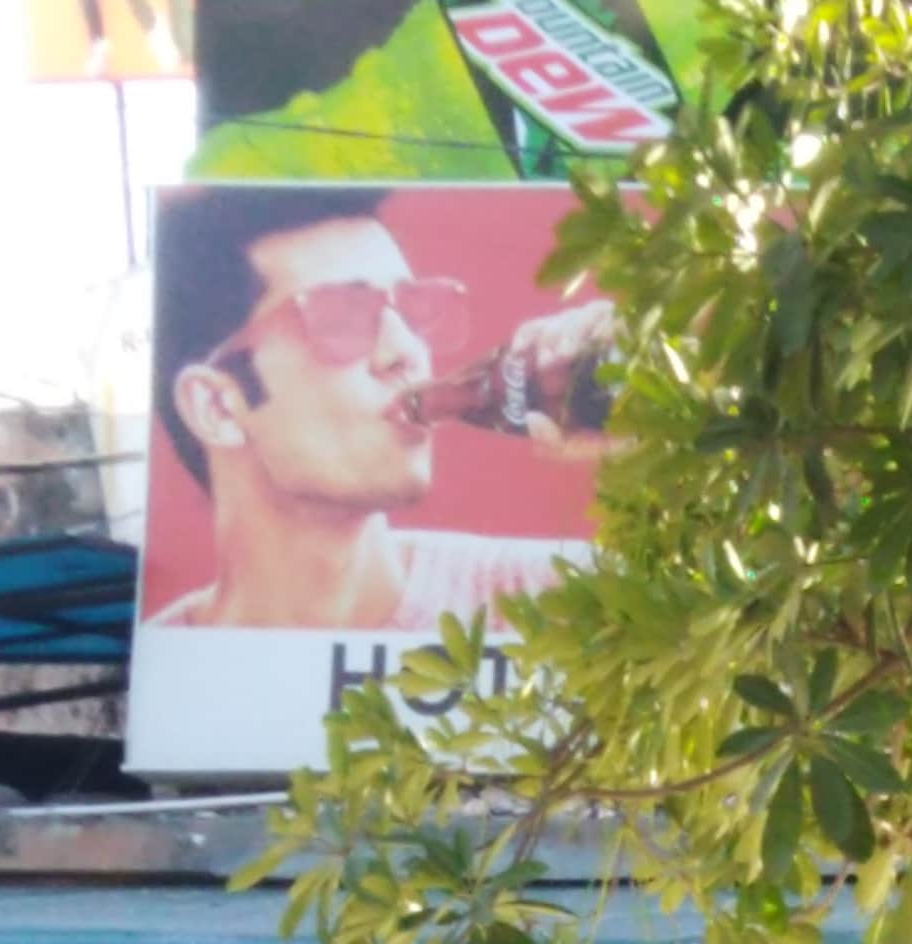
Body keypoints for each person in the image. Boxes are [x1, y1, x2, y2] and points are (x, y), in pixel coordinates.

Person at [146, 185, 604, 632]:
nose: (407, 351)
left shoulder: (561, 597)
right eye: (343, 315)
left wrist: (653, 433)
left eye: (415, 308)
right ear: (218, 407)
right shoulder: (167, 661)